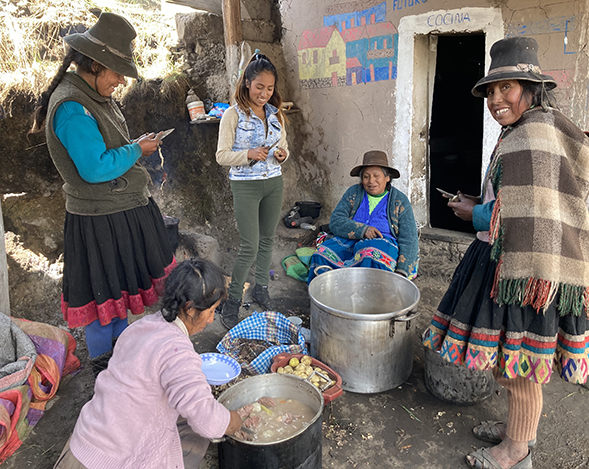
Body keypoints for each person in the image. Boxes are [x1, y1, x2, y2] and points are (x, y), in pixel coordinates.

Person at [422, 37, 589, 469]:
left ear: (531, 88)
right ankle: (518, 430)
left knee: (517, 364)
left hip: (524, 269)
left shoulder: (533, 134)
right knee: (512, 356)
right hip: (513, 261)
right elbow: (519, 202)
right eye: (490, 91)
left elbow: (524, 217)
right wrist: (482, 203)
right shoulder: (529, 129)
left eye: (507, 88)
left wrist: (476, 213)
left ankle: (516, 450)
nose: (496, 99)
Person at [31, 12, 175, 375]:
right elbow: (94, 168)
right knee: (102, 300)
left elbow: (106, 148)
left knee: (118, 295)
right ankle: (104, 373)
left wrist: (133, 146)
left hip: (117, 212)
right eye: (117, 73)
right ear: (95, 64)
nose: (121, 81)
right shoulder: (71, 108)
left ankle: (120, 365)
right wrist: (136, 151)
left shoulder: (93, 95)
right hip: (99, 220)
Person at [53, 258, 242, 469]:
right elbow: (208, 421)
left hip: (83, 442)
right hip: (109, 462)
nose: (210, 320)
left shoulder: (142, 327)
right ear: (189, 308)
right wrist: (234, 421)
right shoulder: (178, 353)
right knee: (198, 433)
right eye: (211, 311)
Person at [216, 52, 289, 329]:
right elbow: (222, 156)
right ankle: (233, 300)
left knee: (268, 238)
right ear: (247, 82)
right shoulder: (232, 115)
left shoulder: (275, 115)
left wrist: (283, 155)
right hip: (245, 186)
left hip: (274, 182)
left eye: (270, 89)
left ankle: (261, 288)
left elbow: (284, 146)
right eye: (260, 87)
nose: (264, 94)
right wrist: (248, 153)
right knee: (250, 244)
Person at [307, 150, 419, 283]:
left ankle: (367, 299)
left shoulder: (399, 201)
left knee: (370, 254)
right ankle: (328, 297)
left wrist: (402, 271)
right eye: (366, 177)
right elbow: (336, 221)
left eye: (376, 176)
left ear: (387, 178)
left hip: (383, 244)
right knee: (321, 254)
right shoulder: (354, 193)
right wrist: (363, 230)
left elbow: (409, 238)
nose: (371, 181)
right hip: (350, 241)